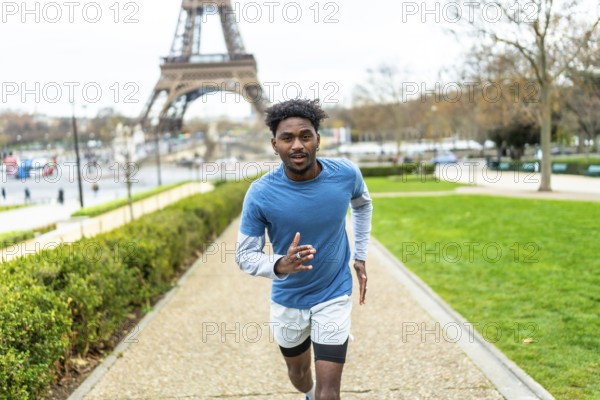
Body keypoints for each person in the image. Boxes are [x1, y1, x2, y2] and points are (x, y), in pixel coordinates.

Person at [235, 99, 372, 400]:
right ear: (275, 144)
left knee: (329, 392)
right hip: (288, 300)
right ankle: (306, 393)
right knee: (299, 376)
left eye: (305, 136)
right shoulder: (260, 194)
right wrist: (280, 265)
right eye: (287, 138)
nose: (297, 145)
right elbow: (244, 256)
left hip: (334, 294)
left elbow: (362, 204)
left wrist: (360, 253)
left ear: (318, 140)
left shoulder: (346, 174)